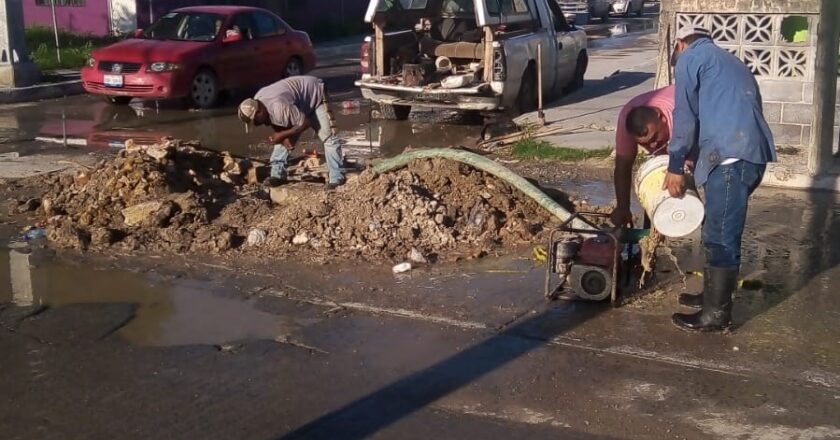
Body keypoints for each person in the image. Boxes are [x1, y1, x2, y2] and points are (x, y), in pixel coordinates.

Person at [664, 26, 777, 332]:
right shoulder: (729, 61)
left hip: (731, 159)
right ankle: (711, 298)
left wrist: (675, 165)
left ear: (680, 44)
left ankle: (716, 315)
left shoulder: (691, 59)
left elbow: (685, 115)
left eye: (675, 53)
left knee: (721, 236)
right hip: (749, 155)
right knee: (717, 228)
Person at [238, 76, 345, 189]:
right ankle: (277, 176)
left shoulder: (279, 107)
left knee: (329, 138)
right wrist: (283, 137)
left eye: (255, 121)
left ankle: (336, 178)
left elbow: (305, 123)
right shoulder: (258, 100)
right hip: (297, 105)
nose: (256, 124)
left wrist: (283, 135)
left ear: (259, 112)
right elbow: (276, 121)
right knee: (281, 139)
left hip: (316, 95)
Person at [610, 85, 676, 227]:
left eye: (654, 138)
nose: (652, 146)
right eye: (645, 144)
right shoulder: (626, 117)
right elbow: (623, 164)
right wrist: (623, 207)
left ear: (661, 117)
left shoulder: (680, 114)